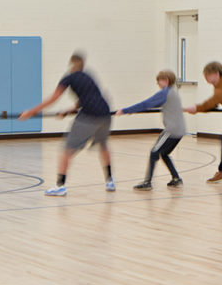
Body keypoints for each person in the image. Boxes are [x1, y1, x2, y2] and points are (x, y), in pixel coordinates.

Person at [18, 50, 116, 196]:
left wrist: (31, 112)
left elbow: (53, 98)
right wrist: (68, 110)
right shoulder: (88, 76)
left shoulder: (69, 78)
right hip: (105, 114)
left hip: (89, 116)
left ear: (71, 63)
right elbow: (87, 98)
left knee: (67, 150)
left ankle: (60, 186)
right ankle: (110, 181)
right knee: (103, 145)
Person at [117, 70, 186, 190]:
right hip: (180, 129)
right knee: (164, 153)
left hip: (171, 129)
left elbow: (146, 103)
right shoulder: (173, 93)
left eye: (159, 80)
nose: (157, 83)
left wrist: (125, 110)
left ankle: (147, 182)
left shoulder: (164, 93)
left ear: (166, 81)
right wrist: (133, 110)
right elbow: (152, 104)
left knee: (154, 152)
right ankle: (176, 178)